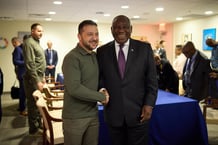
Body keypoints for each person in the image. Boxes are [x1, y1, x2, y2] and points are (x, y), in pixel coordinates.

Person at [97, 15, 158, 145]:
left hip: (138, 114)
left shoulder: (144, 49)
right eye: (117, 27)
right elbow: (100, 78)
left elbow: (152, 81)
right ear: (111, 29)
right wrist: (101, 89)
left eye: (125, 27)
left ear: (131, 29)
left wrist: (149, 104)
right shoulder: (102, 51)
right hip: (113, 114)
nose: (121, 30)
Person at [61, 20, 109, 145]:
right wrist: (101, 97)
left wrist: (102, 89)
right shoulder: (72, 58)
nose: (94, 38)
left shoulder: (94, 56)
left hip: (92, 114)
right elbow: (74, 88)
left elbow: (95, 80)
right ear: (79, 36)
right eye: (90, 34)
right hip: (75, 118)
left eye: (96, 34)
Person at [23, 23, 46, 135]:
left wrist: (43, 78)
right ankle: (34, 129)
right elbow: (30, 63)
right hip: (32, 79)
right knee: (33, 104)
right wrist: (37, 80)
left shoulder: (37, 43)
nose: (41, 33)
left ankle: (39, 124)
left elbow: (39, 61)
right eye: (38, 31)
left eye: (42, 31)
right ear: (32, 31)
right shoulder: (28, 43)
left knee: (38, 103)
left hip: (39, 77)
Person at [11, 36, 27, 116]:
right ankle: (22, 109)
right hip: (22, 74)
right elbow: (16, 61)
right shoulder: (18, 49)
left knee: (23, 92)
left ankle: (22, 107)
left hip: (23, 73)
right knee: (23, 92)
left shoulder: (23, 49)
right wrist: (26, 62)